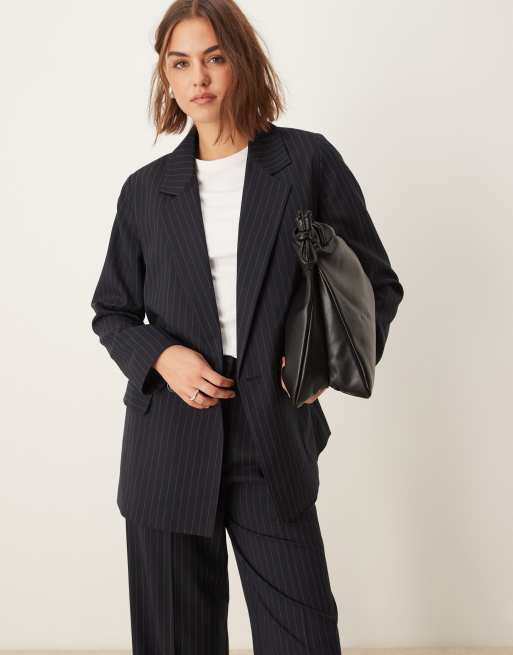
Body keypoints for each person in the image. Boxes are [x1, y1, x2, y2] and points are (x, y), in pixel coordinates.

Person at [90, 0, 404, 653]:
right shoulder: (145, 191)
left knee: (304, 636)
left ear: (242, 61)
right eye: (180, 63)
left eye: (214, 58)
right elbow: (112, 310)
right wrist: (163, 356)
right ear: (166, 76)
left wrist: (320, 363)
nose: (198, 77)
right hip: (167, 444)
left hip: (272, 434)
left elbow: (376, 284)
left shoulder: (305, 162)